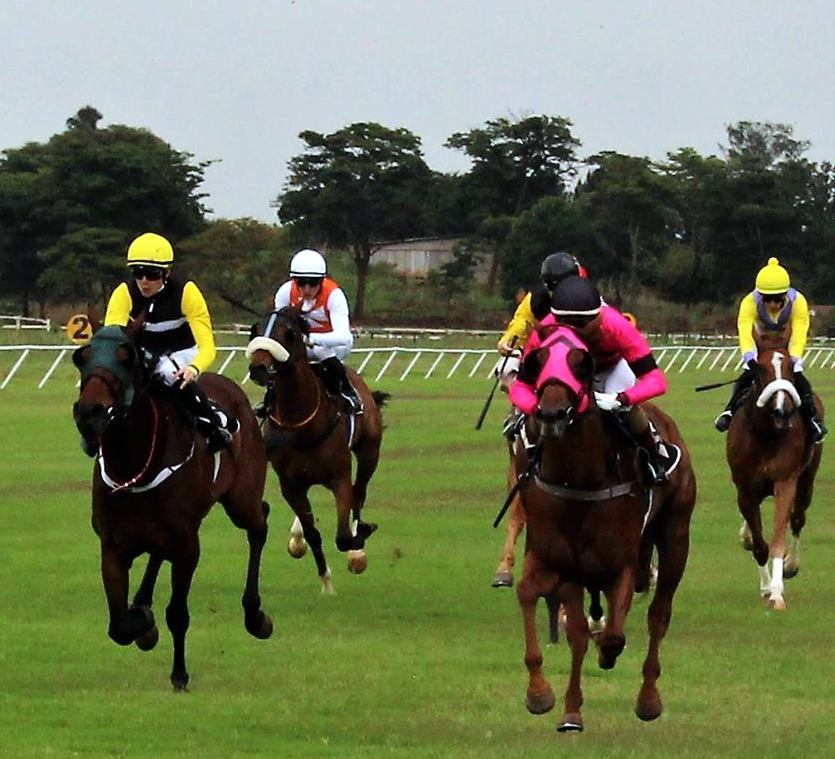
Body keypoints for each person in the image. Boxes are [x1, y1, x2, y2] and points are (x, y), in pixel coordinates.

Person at [510, 276, 678, 484]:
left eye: (580, 324)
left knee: (624, 411)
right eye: (563, 322)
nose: (571, 331)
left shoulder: (617, 326)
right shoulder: (545, 331)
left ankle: (654, 457)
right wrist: (534, 408)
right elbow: (520, 387)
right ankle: (530, 464)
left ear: (598, 317)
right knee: (544, 411)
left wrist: (622, 398)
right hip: (572, 372)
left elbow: (656, 381)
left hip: (610, 369)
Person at [103, 232, 236, 454]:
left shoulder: (186, 292)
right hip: (145, 352)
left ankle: (214, 419)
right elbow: (112, 340)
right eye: (138, 273)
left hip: (183, 351)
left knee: (167, 372)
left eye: (152, 274)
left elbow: (207, 347)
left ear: (166, 273)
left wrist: (194, 368)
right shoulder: (124, 293)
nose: (144, 281)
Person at [714, 257, 827, 442]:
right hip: (760, 349)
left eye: (778, 299)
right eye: (767, 299)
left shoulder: (798, 302)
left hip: (787, 350)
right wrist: (750, 357)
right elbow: (745, 330)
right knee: (745, 379)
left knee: (800, 380)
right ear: (760, 296)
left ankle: (812, 420)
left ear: (785, 295)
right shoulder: (749, 302)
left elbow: (800, 331)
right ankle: (729, 411)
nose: (773, 304)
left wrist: (794, 358)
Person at [269, 248, 360, 413]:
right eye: (301, 283)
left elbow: (344, 337)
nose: (307, 289)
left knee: (320, 350)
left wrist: (310, 339)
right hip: (303, 346)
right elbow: (278, 325)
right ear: (294, 280)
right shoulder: (285, 292)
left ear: (322, 281)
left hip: (335, 347)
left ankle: (348, 392)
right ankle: (270, 398)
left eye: (313, 283)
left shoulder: (334, 295)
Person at [496, 251, 587, 392]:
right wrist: (507, 340)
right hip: (545, 347)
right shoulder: (536, 298)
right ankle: (524, 401)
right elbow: (522, 320)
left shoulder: (588, 297)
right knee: (506, 369)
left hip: (581, 350)